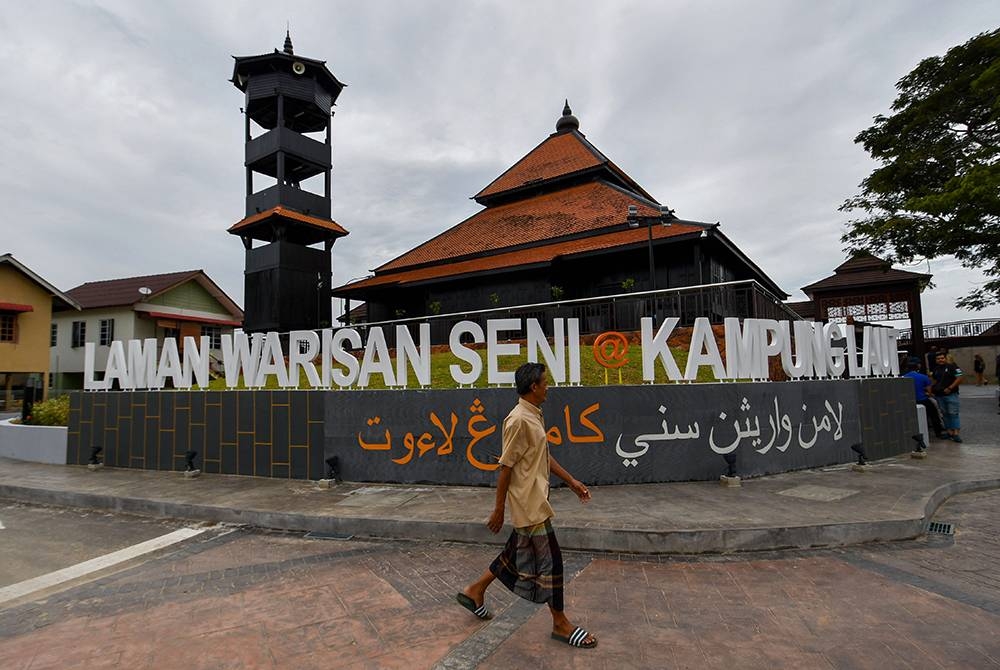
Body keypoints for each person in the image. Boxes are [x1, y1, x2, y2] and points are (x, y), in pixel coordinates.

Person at [457, 362, 597, 649]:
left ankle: (474, 591)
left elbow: (542, 455)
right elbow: (505, 468)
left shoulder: (534, 414)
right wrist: (499, 509)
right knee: (552, 563)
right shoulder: (518, 420)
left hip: (535, 501)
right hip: (528, 505)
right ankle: (560, 623)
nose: (548, 387)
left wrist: (571, 481)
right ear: (533, 387)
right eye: (545, 382)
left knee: (513, 555)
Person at [903, 359, 946, 439]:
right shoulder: (923, 377)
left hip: (910, 401)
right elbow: (929, 392)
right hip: (923, 400)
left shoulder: (904, 377)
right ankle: (938, 433)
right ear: (917, 368)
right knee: (934, 415)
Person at [931, 352, 964, 443]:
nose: (940, 360)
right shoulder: (935, 369)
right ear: (936, 360)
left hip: (951, 394)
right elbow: (934, 380)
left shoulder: (952, 367)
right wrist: (931, 391)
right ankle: (949, 432)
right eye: (938, 359)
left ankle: (956, 433)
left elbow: (960, 377)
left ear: (945, 358)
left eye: (942, 358)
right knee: (944, 414)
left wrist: (950, 387)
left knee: (953, 413)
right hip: (939, 395)